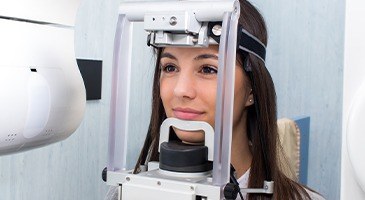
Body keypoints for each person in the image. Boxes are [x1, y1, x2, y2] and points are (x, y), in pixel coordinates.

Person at [106, 0, 325, 199]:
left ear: (252, 90)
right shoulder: (125, 193)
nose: (181, 91)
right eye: (170, 67)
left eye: (208, 69)